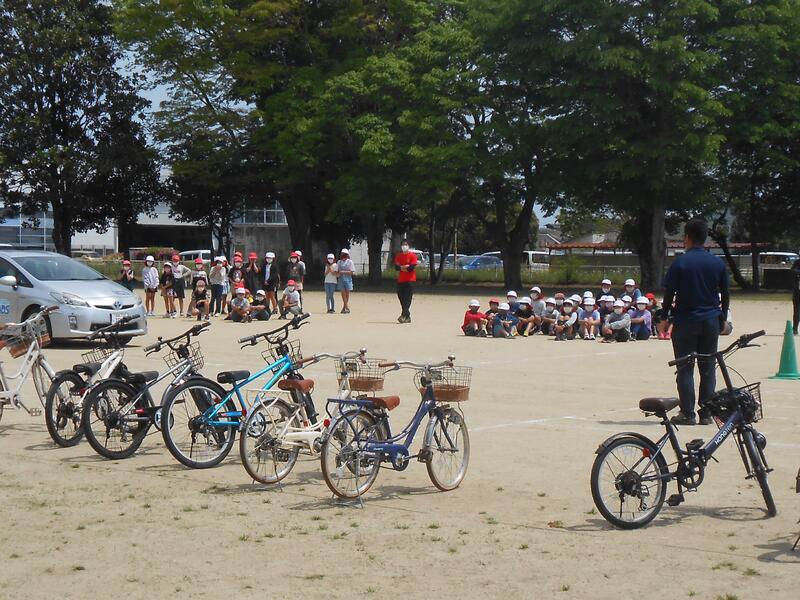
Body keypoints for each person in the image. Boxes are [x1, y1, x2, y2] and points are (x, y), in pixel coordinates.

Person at [662, 218, 729, 426]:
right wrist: (723, 319)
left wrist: (664, 317)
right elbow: (725, 295)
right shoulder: (717, 263)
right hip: (710, 321)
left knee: (685, 368)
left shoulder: (680, 262)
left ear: (687, 238)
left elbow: (669, 293)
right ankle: (707, 413)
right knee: (707, 368)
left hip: (686, 321)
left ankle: (688, 413)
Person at [393, 240, 417, 323]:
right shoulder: (398, 256)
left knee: (407, 298)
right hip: (401, 280)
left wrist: (402, 267)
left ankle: (403, 315)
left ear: (409, 246)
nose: (404, 246)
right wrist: (405, 267)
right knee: (401, 297)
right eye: (403, 245)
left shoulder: (413, 256)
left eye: (406, 244)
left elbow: (411, 268)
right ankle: (407, 315)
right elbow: (396, 267)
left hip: (410, 280)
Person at [336, 249, 355, 314]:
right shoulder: (339, 262)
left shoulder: (350, 262)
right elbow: (337, 270)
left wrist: (342, 272)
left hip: (348, 279)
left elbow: (351, 272)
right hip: (341, 279)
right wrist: (338, 273)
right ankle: (346, 307)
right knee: (343, 293)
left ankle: (344, 307)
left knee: (347, 293)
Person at [792, 255, 800, 334]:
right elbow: (793, 271)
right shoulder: (797, 262)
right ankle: (795, 329)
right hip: (798, 291)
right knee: (796, 311)